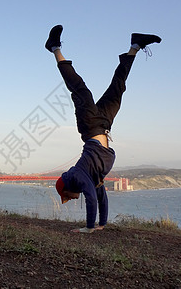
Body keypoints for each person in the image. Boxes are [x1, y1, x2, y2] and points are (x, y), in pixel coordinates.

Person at [45, 25, 161, 233]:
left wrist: (88, 228)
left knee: (80, 88)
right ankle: (135, 46)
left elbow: (90, 196)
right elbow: (101, 196)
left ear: (66, 188)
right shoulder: (89, 177)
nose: (70, 200)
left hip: (90, 126)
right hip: (104, 125)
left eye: (67, 197)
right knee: (118, 88)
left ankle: (54, 48)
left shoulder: (78, 175)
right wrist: (102, 225)